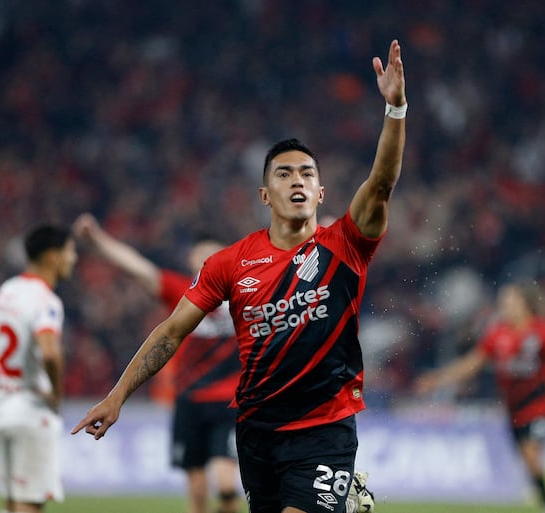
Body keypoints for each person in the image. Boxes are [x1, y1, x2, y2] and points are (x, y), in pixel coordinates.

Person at [72, 38, 406, 513]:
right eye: (284, 174)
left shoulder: (344, 246)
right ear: (265, 194)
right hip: (256, 430)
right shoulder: (229, 263)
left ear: (321, 192)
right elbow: (171, 332)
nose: (297, 180)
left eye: (307, 174)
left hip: (324, 427)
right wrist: (117, 395)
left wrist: (395, 110)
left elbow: (382, 183)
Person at [73, 212, 241, 513]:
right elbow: (138, 268)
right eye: (201, 254)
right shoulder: (183, 292)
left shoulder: (243, 294)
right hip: (189, 400)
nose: (207, 259)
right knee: (198, 491)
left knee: (227, 487)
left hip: (229, 403)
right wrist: (97, 240)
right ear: (192, 259)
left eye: (214, 253)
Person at [415, 282, 545, 513]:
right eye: (504, 301)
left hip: (541, 403)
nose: (505, 305)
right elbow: (472, 364)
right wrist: (438, 379)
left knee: (530, 451)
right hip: (514, 409)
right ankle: (544, 499)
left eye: (510, 300)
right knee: (526, 458)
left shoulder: (544, 331)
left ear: (525, 304)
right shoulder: (497, 334)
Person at [0, 224, 77, 513]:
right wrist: (57, 394)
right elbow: (50, 353)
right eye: (70, 251)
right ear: (52, 257)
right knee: (28, 505)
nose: (73, 259)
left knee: (11, 504)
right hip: (30, 411)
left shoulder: (6, 291)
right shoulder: (45, 300)